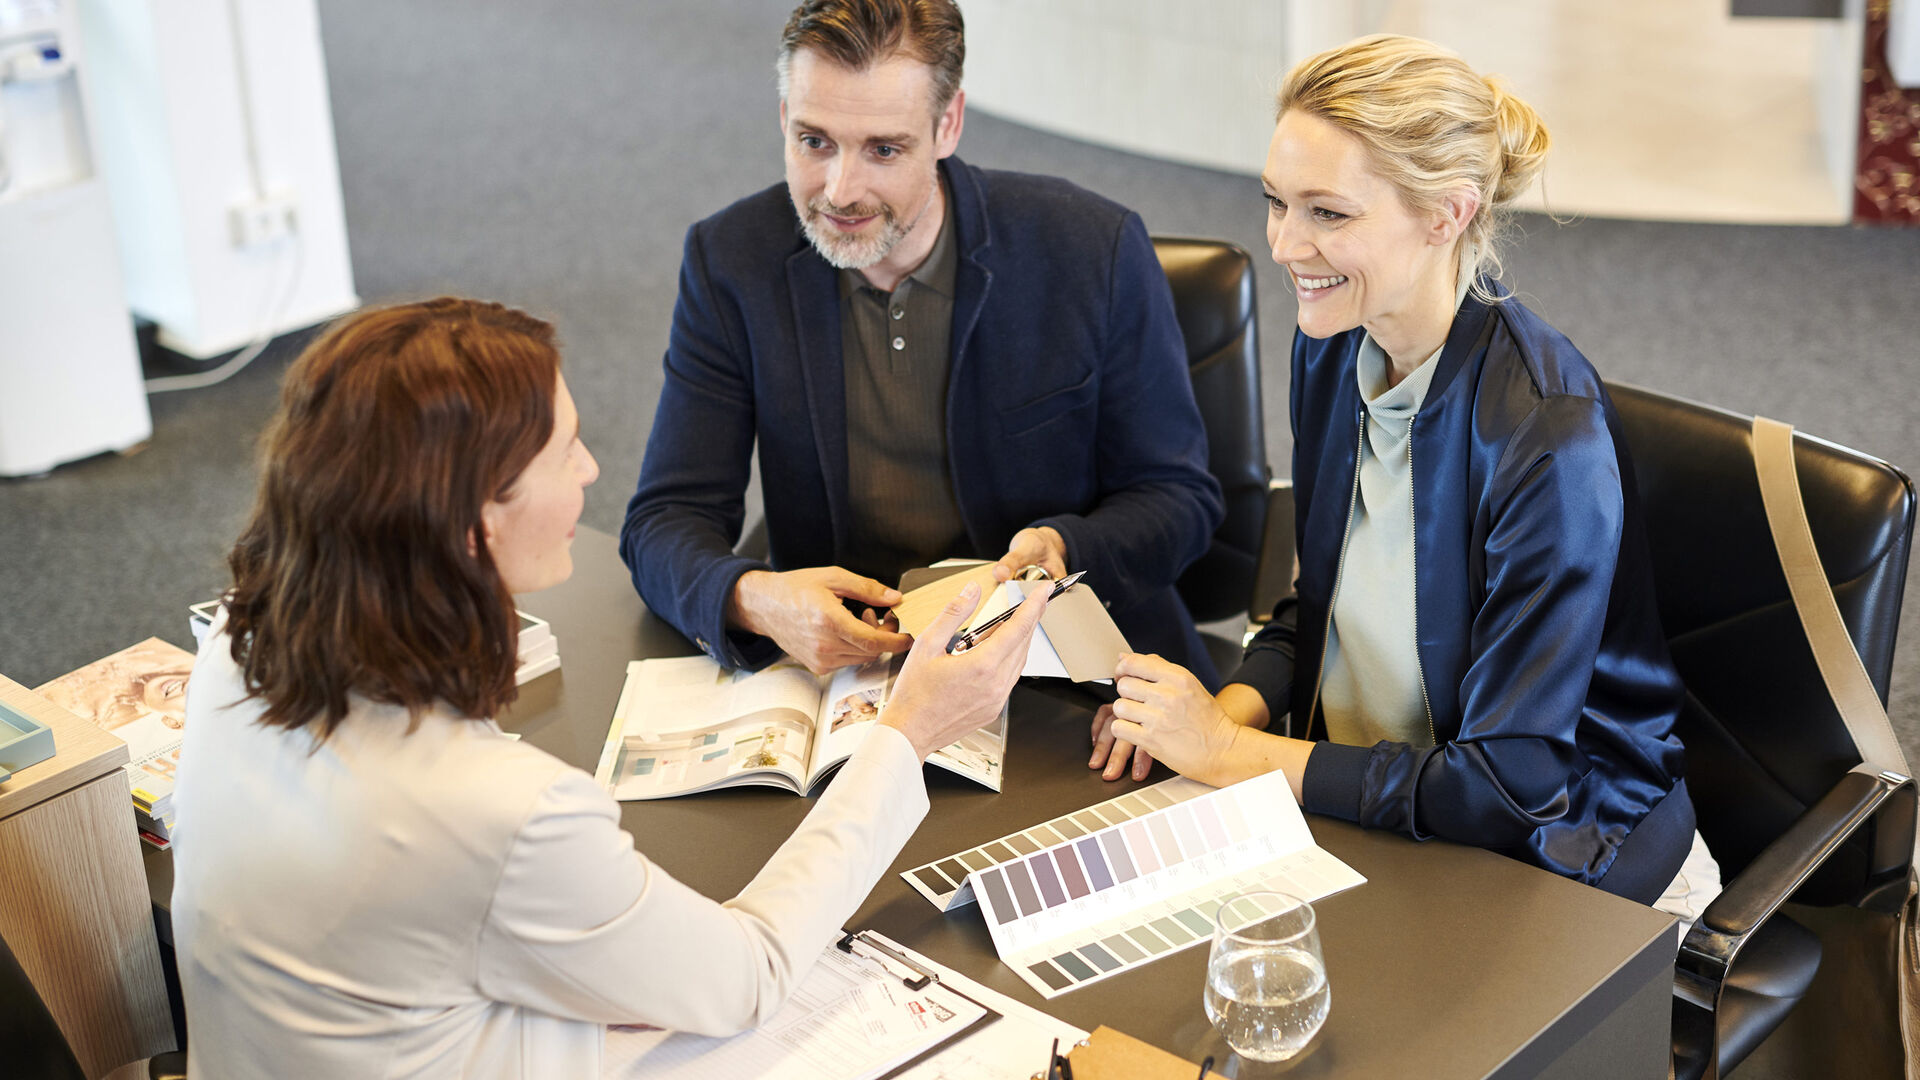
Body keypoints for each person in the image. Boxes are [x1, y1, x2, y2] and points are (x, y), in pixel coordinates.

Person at [169, 298, 1048, 1078]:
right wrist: (908, 732)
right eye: (566, 450)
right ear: (477, 524)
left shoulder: (238, 648)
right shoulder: (509, 813)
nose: (592, 471)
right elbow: (747, 977)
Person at [1089, 35, 1721, 923]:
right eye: (1275, 202)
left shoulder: (1545, 437)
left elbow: (1509, 786)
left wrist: (1228, 752)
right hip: (1383, 809)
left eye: (1327, 214)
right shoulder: (1338, 347)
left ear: (1447, 214)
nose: (1283, 244)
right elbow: (1322, 611)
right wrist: (1197, 719)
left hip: (1562, 860)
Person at [620, 0, 1224, 683]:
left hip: (1067, 669)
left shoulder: (1091, 249)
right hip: (861, 668)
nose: (840, 191)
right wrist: (752, 598)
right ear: (783, 119)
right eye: (814, 141)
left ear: (948, 125)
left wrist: (1063, 543)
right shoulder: (730, 260)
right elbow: (664, 520)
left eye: (883, 149)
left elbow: (1178, 498)